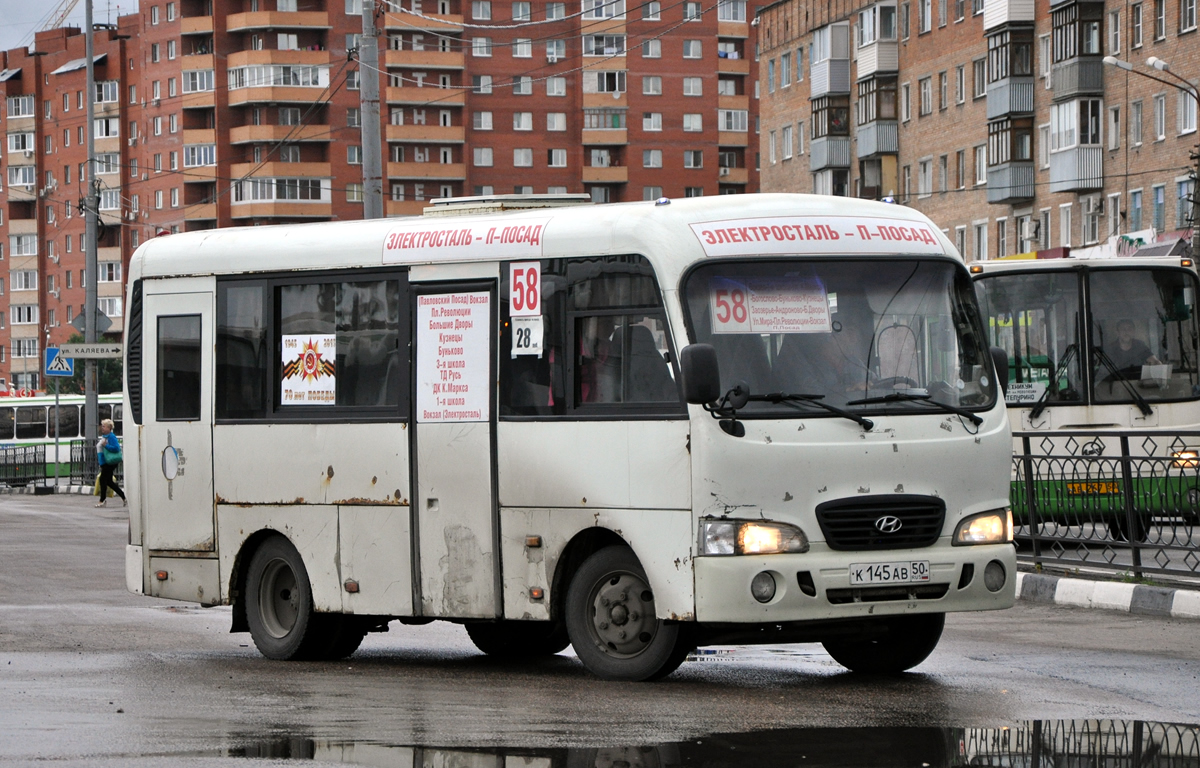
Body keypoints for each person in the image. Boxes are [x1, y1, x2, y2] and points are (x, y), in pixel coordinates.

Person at [95, 418, 126, 508]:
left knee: (102, 480)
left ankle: (102, 500)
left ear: (109, 428)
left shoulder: (111, 437)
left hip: (110, 462)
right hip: (105, 462)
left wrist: (106, 446)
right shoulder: (105, 437)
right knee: (108, 481)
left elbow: (116, 448)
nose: (102, 428)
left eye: (104, 426)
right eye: (102, 426)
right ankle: (123, 496)